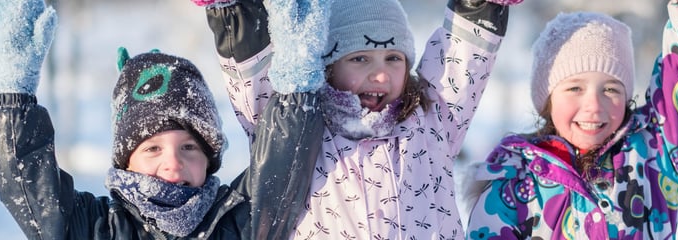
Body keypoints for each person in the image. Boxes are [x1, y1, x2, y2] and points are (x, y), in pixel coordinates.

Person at [0, 0, 322, 238]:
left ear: (210, 158)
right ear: (125, 159)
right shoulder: (94, 228)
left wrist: (295, 84)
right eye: (152, 149)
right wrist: (15, 93)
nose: (173, 165)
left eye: (189, 146)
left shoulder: (237, 221)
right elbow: (26, 182)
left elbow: (283, 163)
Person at [193, 0, 520, 238]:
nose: (380, 74)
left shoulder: (431, 120)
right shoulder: (298, 131)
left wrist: (484, 6)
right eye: (360, 58)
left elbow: (463, 59)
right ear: (328, 67)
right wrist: (231, 12)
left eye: (393, 58)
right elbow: (256, 81)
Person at [462, 0, 678, 239]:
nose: (593, 105)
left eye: (611, 89)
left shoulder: (653, 154)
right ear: (548, 99)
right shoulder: (514, 180)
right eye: (575, 88)